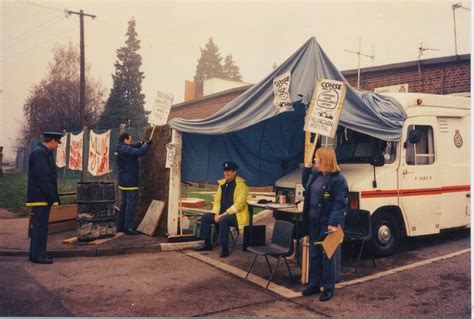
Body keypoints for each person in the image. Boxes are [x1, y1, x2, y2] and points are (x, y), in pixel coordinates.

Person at [300, 147, 348, 301]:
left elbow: (339, 203)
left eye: (316, 157)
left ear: (325, 159)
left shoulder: (338, 179)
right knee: (314, 254)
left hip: (327, 224)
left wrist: (333, 222)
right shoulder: (316, 174)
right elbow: (305, 185)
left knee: (328, 255)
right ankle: (314, 284)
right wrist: (307, 169)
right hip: (314, 222)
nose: (314, 160)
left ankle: (328, 288)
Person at [194, 161, 249, 258]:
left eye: (229, 171)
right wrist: (215, 214)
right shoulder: (222, 184)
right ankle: (207, 245)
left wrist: (221, 215)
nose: (226, 173)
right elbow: (217, 201)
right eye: (225, 171)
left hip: (236, 216)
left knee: (224, 219)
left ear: (234, 172)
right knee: (206, 217)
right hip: (221, 214)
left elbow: (239, 205)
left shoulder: (242, 186)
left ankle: (225, 248)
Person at [27, 132, 63, 264]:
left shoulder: (41, 152)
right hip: (41, 196)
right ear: (52, 141)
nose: (57, 146)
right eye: (57, 143)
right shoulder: (41, 153)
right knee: (40, 227)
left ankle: (36, 254)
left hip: (41, 196)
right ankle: (38, 256)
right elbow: (44, 177)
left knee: (39, 226)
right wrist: (51, 196)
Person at [116, 132, 151, 235]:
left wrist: (140, 142)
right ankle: (129, 227)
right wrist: (146, 145)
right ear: (125, 140)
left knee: (124, 203)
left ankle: (120, 225)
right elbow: (138, 152)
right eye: (129, 140)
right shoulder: (125, 149)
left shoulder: (119, 146)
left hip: (123, 180)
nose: (130, 142)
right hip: (130, 181)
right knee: (131, 204)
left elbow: (131, 146)